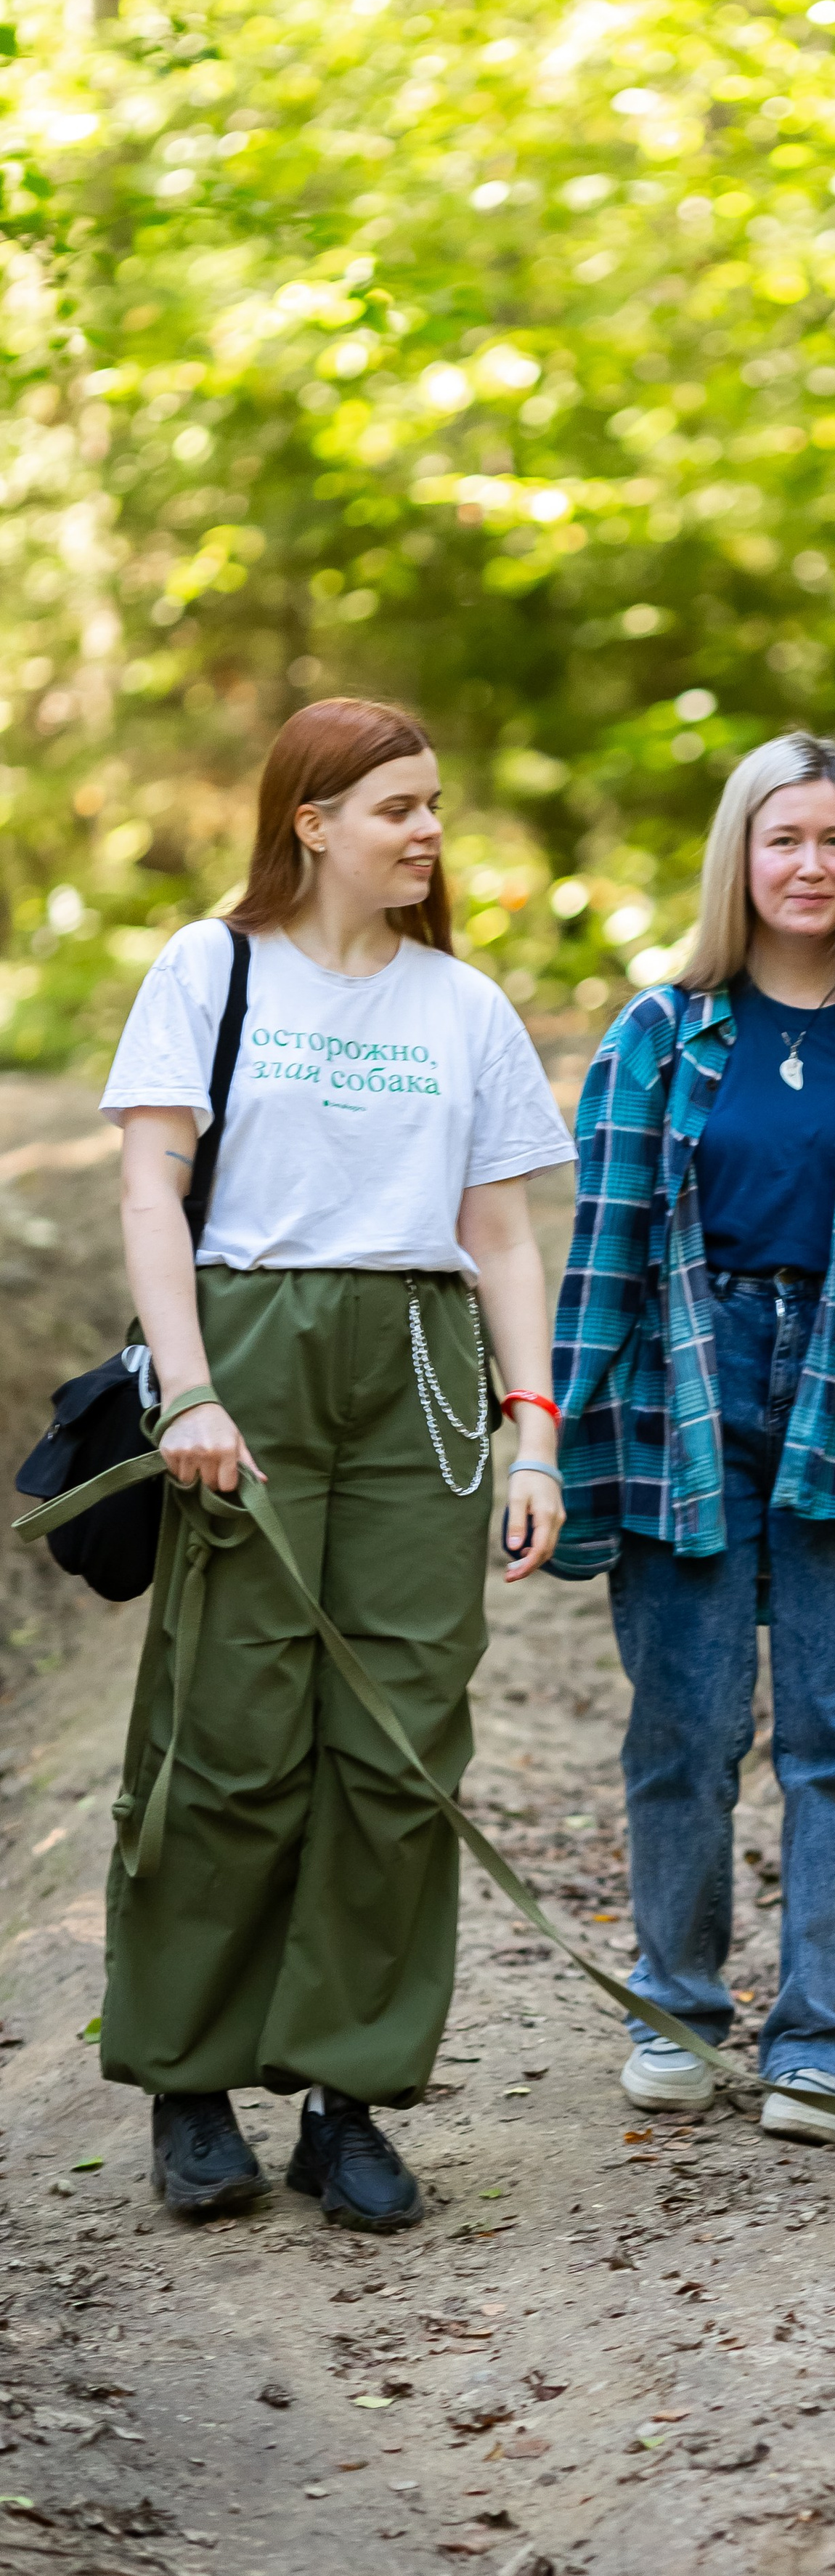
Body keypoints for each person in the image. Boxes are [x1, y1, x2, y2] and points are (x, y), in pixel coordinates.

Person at [102, 697, 575, 2231]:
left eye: (434, 804)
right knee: (229, 1732)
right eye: (395, 808)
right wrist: (186, 1390)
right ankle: (187, 2081)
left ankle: (346, 2096)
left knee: (398, 1746)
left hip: (424, 1379)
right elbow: (151, 1195)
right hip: (249, 1354)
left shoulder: (465, 1008)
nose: (427, 831)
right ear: (309, 823)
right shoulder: (210, 968)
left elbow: (503, 1232)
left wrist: (534, 1432)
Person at [552, 732, 835, 2141]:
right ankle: (675, 2005)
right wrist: (553, 1454)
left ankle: (817, 2039)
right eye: (781, 840)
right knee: (681, 1730)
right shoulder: (660, 1035)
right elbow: (602, 1254)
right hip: (682, 1397)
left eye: (834, 841)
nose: (809, 867)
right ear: (738, 858)